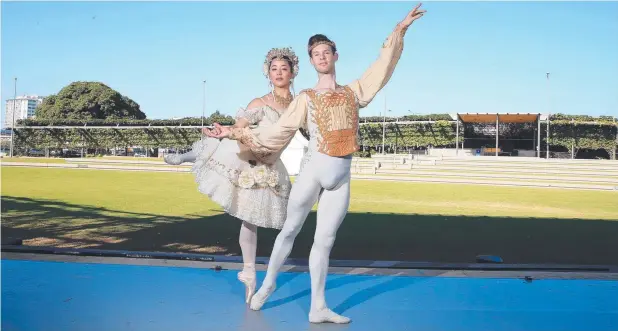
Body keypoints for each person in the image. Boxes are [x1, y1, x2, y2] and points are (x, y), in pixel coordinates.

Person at [208, 3, 426, 323]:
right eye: (316, 54)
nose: (322, 57)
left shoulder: (355, 93)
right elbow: (276, 131)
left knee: (324, 241)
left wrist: (400, 28)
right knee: (290, 231)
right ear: (311, 62)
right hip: (312, 171)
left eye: (327, 51)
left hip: (341, 176)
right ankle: (268, 284)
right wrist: (231, 131)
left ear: (335, 55)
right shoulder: (306, 97)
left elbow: (382, 65)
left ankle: (318, 307)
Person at [165, 47, 301, 304]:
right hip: (249, 153)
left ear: (293, 73)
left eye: (284, 68)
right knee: (220, 148)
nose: (279, 73)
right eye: (274, 69)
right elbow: (241, 125)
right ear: (268, 74)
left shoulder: (299, 105)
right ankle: (184, 157)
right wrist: (228, 130)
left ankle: (249, 273)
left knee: (252, 218)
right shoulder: (260, 103)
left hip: (271, 163)